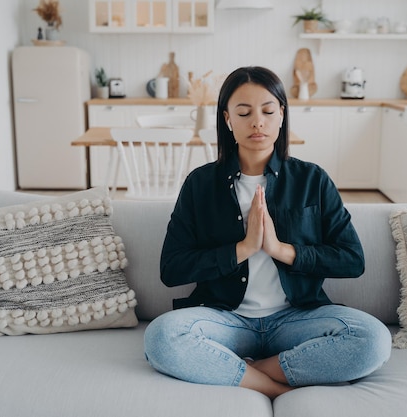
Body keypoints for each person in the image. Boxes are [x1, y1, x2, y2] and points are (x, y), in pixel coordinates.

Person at [144, 66, 391, 399]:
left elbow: (352, 260)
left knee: (374, 340)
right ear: (228, 119)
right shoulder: (200, 184)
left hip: (297, 318)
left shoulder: (312, 180)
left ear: (281, 115)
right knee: (161, 337)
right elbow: (172, 269)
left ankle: (242, 372)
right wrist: (242, 249)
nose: (257, 122)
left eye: (267, 111)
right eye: (244, 113)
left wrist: (280, 250)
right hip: (225, 318)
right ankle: (274, 389)